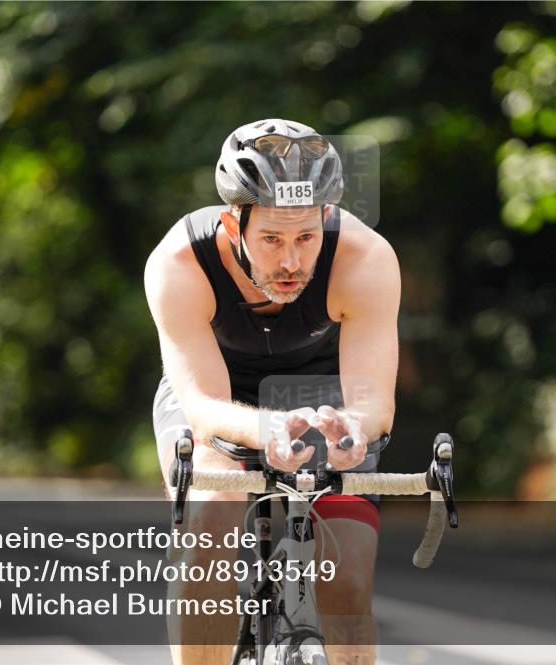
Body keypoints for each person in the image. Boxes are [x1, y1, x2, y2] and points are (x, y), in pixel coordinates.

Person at [145, 119, 400, 665]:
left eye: (306, 238)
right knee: (210, 516)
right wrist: (266, 429)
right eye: (271, 240)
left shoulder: (365, 259)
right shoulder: (178, 264)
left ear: (327, 218)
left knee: (348, 579)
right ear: (231, 224)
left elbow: (375, 401)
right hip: (216, 389)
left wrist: (356, 428)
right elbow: (202, 406)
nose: (291, 262)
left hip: (327, 390)